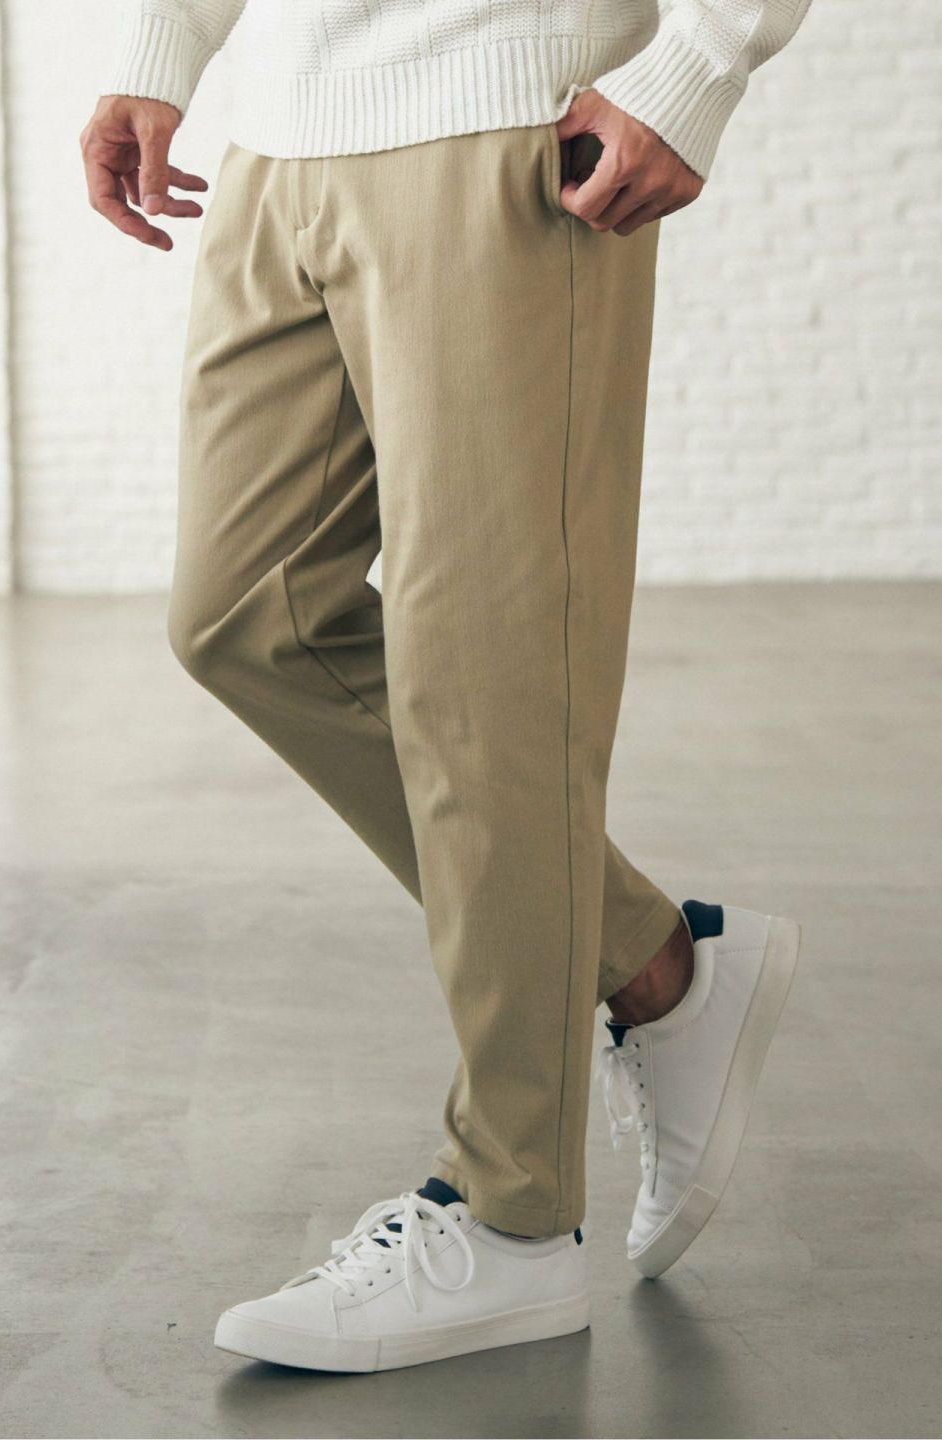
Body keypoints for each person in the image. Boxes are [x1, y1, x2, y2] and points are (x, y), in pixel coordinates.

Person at [81, 0, 810, 1374]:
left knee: (487, 679)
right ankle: (657, 966)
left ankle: (513, 1220)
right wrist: (162, 48)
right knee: (243, 616)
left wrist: (699, 64)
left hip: (501, 125)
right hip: (278, 146)